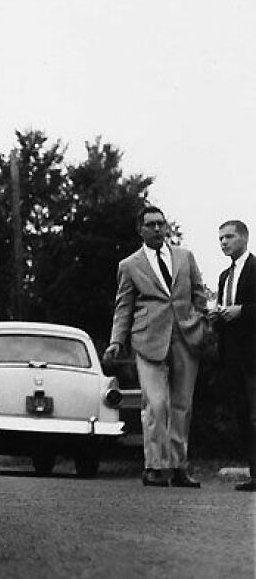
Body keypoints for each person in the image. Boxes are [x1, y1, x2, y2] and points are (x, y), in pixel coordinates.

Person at [103, 206, 207, 488]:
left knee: (182, 406)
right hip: (148, 339)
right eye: (151, 225)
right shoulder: (130, 265)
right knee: (156, 405)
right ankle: (155, 466)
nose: (158, 229)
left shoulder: (185, 257)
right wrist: (116, 341)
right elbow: (123, 306)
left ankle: (178, 466)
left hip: (185, 338)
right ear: (141, 229)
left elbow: (199, 293)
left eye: (161, 224)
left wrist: (200, 323)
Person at [208, 220, 256, 491]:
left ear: (244, 238)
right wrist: (217, 317)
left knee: (255, 415)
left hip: (253, 354)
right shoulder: (224, 276)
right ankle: (254, 474)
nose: (223, 242)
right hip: (232, 356)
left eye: (228, 237)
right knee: (242, 415)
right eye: (220, 239)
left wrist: (243, 311)